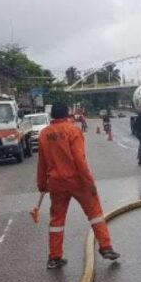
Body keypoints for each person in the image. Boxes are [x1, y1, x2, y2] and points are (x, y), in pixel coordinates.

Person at [37, 102, 120, 269]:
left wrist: (42, 184)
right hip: (77, 180)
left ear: (52, 115)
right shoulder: (72, 130)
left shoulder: (44, 134)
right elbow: (79, 159)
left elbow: (42, 163)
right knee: (95, 213)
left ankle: (54, 257)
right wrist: (90, 183)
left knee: (57, 220)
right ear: (67, 114)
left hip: (56, 183)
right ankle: (105, 247)